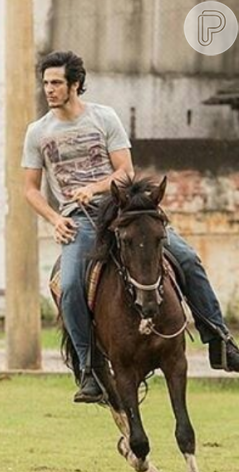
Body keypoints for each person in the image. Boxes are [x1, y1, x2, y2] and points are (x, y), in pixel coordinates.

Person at [22, 50, 239, 403]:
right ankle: (90, 369)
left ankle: (219, 340)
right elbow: (30, 189)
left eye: (56, 83)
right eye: (46, 83)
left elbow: (125, 172)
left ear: (75, 84)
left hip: (121, 210)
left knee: (186, 258)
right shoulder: (38, 132)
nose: (49, 89)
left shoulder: (103, 118)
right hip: (78, 222)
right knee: (72, 285)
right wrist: (54, 218)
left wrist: (92, 188)